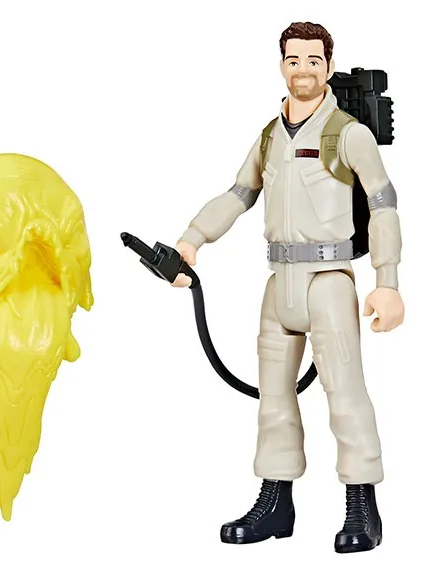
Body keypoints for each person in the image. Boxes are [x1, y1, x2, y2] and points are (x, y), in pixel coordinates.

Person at [170, 21, 404, 553]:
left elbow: (383, 203)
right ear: (281, 65)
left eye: (313, 60)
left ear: (329, 66)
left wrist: (387, 281)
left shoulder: (348, 134)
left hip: (328, 280)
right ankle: (275, 501)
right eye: (293, 60)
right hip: (280, 285)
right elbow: (239, 193)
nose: (303, 70)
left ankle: (362, 507)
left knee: (344, 395)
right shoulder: (270, 136)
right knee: (274, 399)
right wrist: (192, 239)